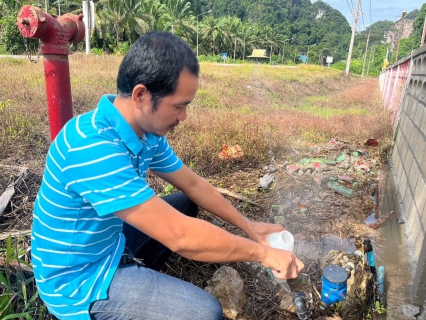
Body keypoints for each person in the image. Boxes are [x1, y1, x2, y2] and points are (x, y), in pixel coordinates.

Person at [32, 31, 304, 320]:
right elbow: (181, 236)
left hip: (110, 240)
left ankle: (135, 275)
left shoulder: (147, 133)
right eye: (179, 105)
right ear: (141, 95)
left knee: (187, 204)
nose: (184, 116)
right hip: (78, 280)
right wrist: (264, 254)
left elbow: (193, 184)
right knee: (205, 312)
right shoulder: (91, 146)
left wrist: (249, 226)